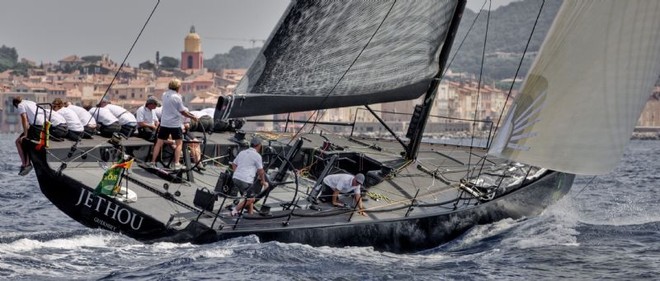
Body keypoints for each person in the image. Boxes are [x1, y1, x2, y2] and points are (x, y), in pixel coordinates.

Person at [147, 79, 198, 170]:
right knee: (179, 144)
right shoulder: (177, 97)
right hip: (175, 124)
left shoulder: (164, 95)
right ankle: (177, 163)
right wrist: (193, 117)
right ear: (177, 87)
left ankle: (152, 162)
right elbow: (183, 112)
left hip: (164, 123)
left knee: (159, 143)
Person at [230, 136, 268, 216]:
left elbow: (234, 164)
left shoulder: (242, 152)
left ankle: (251, 214)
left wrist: (237, 173)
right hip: (245, 180)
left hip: (235, 178)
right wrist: (264, 182)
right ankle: (234, 211)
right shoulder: (257, 156)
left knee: (248, 196)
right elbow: (261, 171)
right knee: (251, 199)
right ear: (259, 145)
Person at [12, 96, 45, 176]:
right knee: (23, 139)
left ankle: (26, 164)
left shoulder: (20, 105)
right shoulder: (30, 102)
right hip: (43, 125)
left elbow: (24, 119)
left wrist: (26, 134)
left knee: (20, 141)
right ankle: (26, 163)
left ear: (16, 104)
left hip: (37, 126)